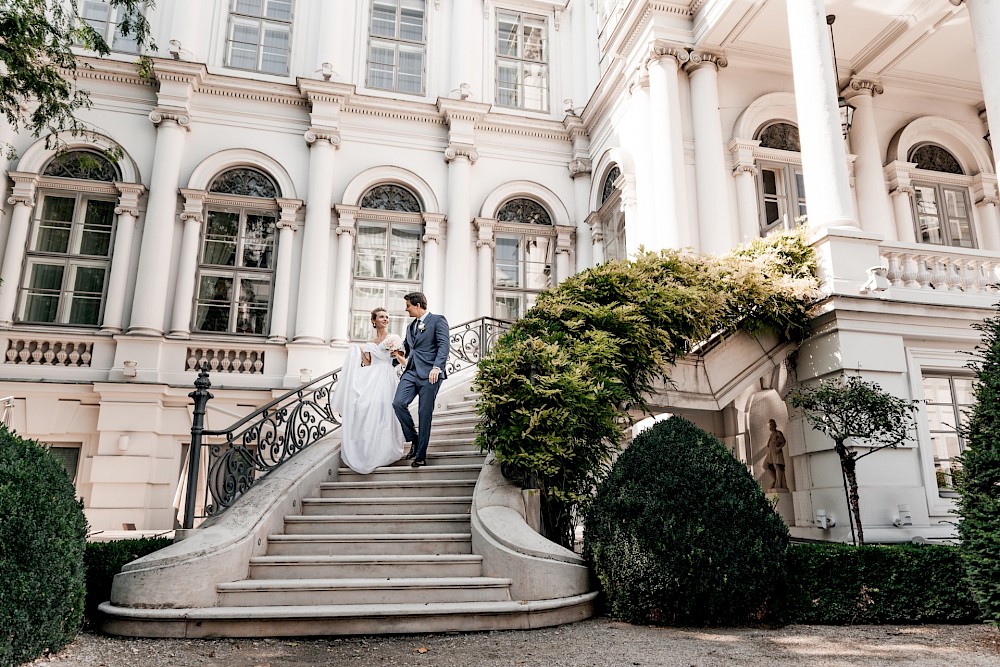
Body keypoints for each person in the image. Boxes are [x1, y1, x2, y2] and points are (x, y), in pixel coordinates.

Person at [331, 307, 406, 474]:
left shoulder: (393, 338)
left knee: (386, 411)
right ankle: (372, 450)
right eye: (381, 317)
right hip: (373, 378)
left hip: (387, 376)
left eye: (387, 317)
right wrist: (357, 352)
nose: (385, 319)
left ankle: (387, 449)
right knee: (369, 411)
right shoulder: (370, 342)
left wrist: (395, 352)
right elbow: (368, 363)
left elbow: (402, 361)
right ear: (374, 321)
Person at [392, 292, 449, 467]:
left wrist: (437, 367)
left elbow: (444, 345)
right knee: (398, 403)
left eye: (408, 305)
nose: (406, 309)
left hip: (430, 375)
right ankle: (414, 438)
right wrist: (389, 358)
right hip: (411, 372)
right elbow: (407, 349)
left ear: (417, 305)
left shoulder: (438, 320)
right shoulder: (410, 327)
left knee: (424, 414)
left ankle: (421, 455)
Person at [765, 418, 787, 490]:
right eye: (769, 426)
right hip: (771, 453)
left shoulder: (778, 433)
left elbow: (783, 441)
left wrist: (779, 448)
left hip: (776, 452)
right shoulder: (771, 435)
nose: (770, 427)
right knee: (766, 465)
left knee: (777, 466)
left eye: (771, 425)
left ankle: (779, 483)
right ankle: (775, 480)